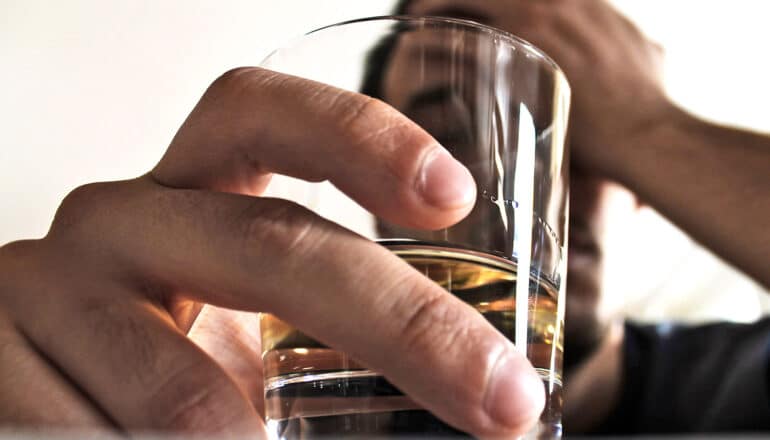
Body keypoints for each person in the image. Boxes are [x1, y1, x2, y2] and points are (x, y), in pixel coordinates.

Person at [0, 0, 767, 437]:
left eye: (589, 139)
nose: (543, 197)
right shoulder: (302, 402)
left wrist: (650, 124)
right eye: (457, 137)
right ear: (377, 187)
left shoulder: (745, 377)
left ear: (645, 190)